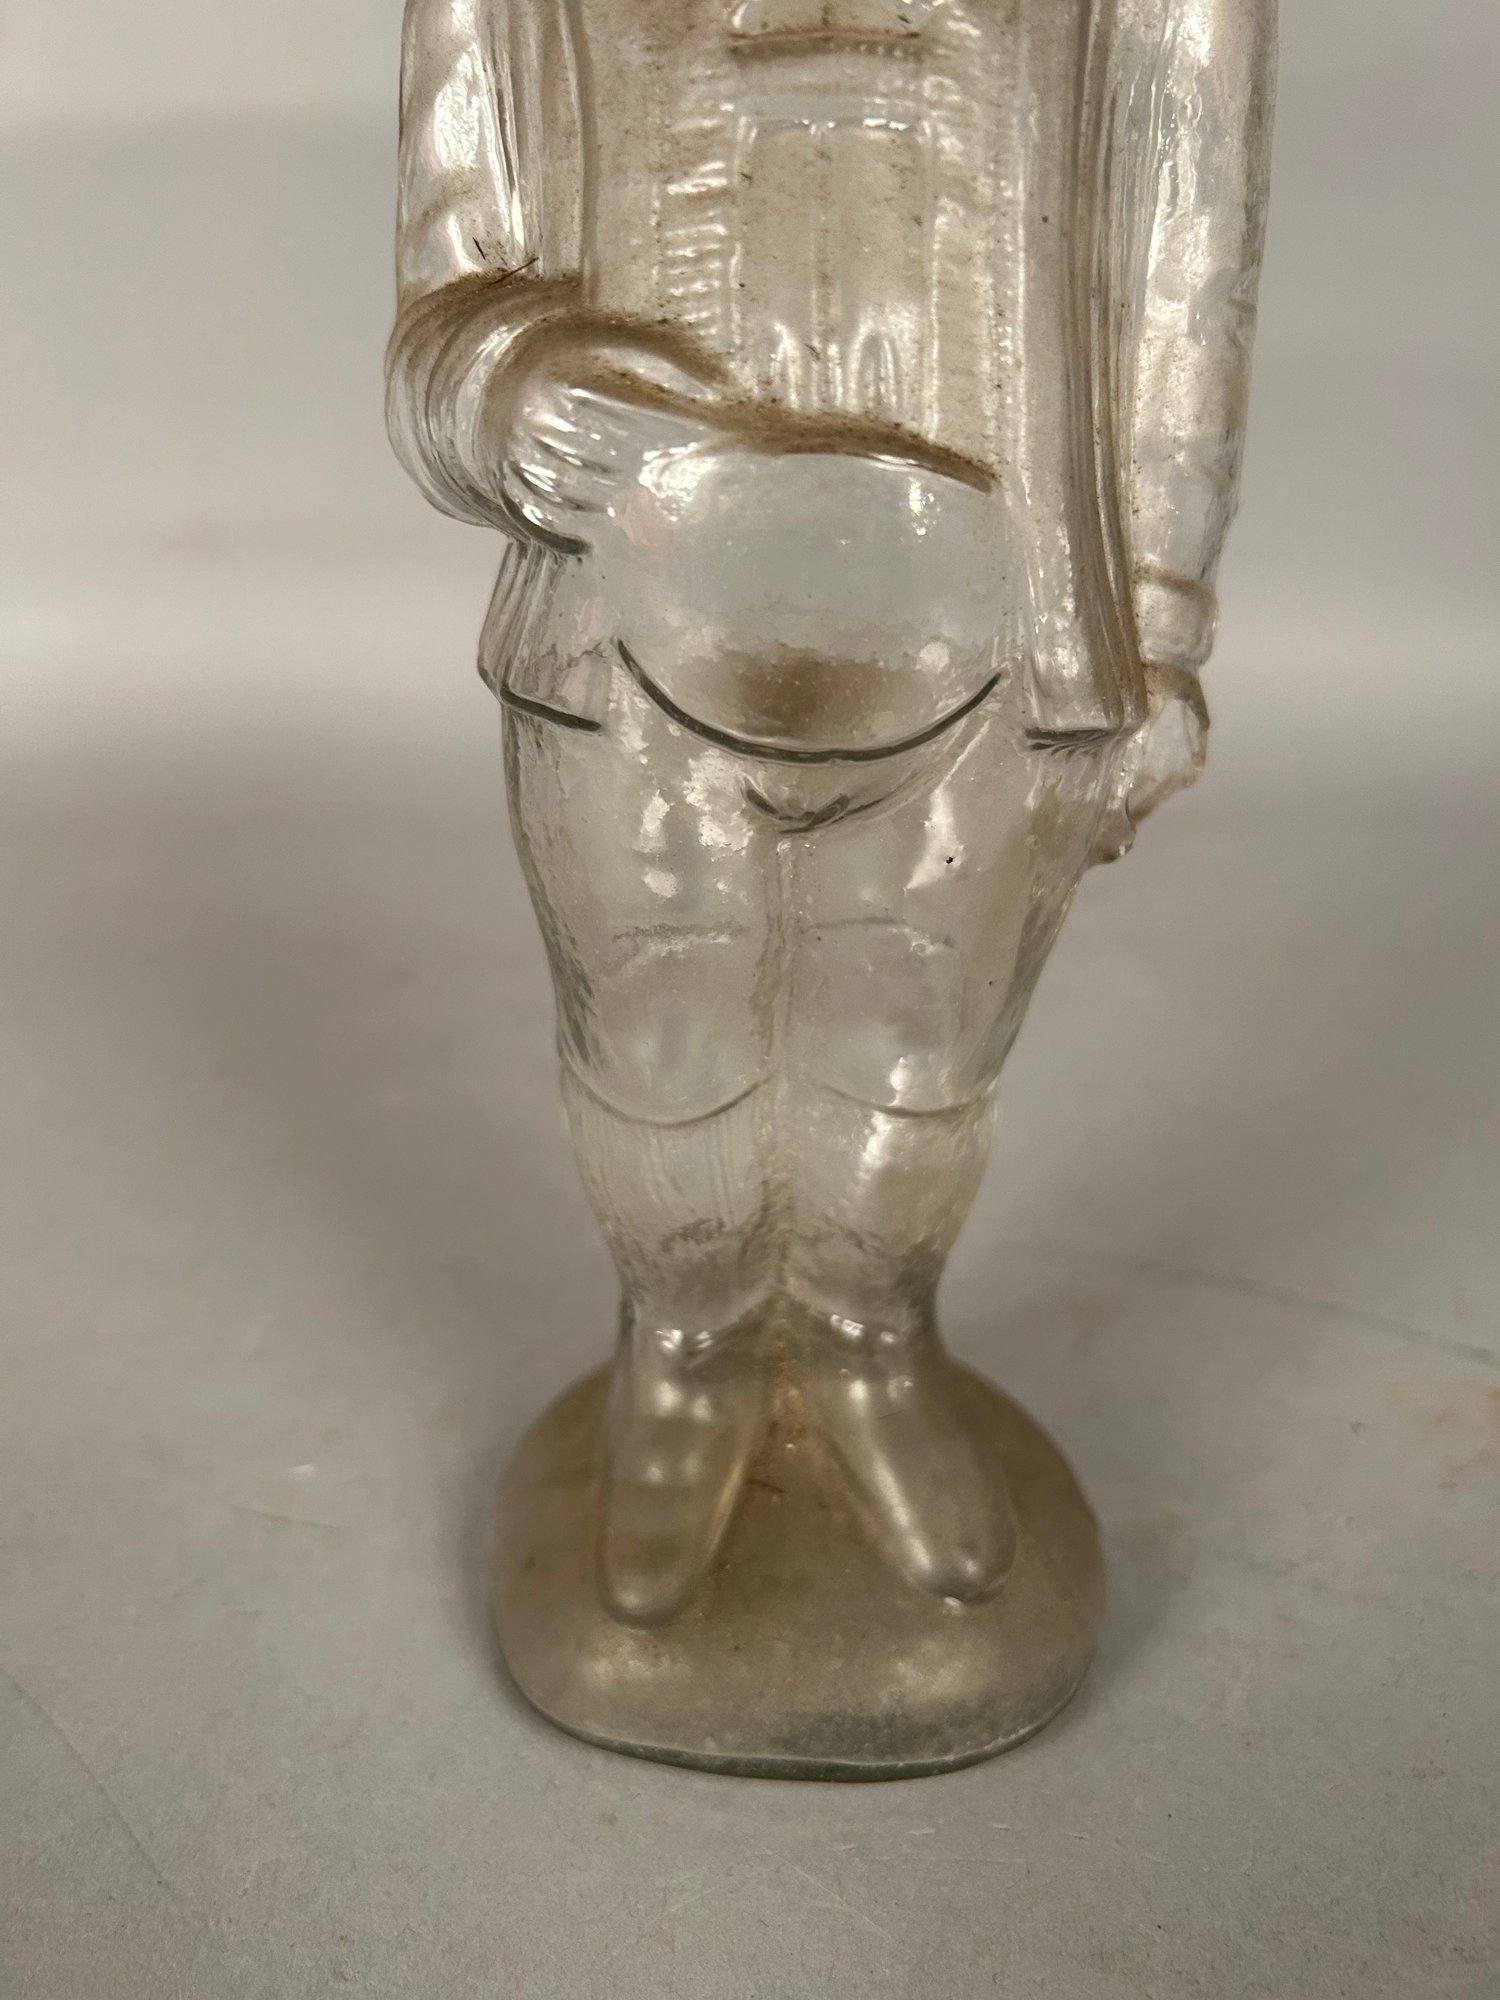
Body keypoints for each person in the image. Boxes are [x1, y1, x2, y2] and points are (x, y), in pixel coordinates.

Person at [387, 0, 1276, 1623]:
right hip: (632, 618)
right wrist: (499, 390)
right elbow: (450, 273)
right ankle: (685, 1355)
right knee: (654, 1047)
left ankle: (872, 1344)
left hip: (993, 625)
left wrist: (1160, 619)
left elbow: (1183, 252)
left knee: (923, 1055)